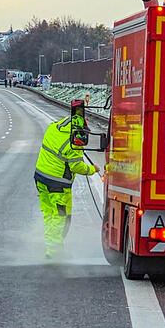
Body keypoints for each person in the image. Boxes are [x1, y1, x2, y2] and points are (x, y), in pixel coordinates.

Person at [34, 110, 98, 258]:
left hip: (40, 178)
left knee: (49, 215)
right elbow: (77, 167)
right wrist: (93, 169)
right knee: (61, 218)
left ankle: (51, 246)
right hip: (57, 185)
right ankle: (54, 252)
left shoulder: (53, 128)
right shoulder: (73, 143)